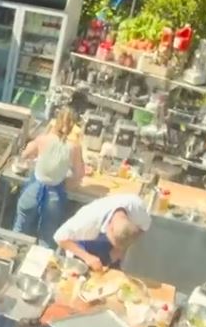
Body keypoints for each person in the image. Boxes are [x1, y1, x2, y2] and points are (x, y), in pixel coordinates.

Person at [12, 107, 85, 247]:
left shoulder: (43, 139)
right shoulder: (75, 148)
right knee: (48, 238)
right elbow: (79, 174)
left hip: (32, 191)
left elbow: (24, 155)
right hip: (54, 197)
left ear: (55, 122)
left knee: (20, 230)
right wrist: (67, 182)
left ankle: (11, 258)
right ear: (74, 126)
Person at [53, 194, 152, 272]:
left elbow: (144, 227)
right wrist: (87, 257)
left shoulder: (136, 207)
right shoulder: (87, 219)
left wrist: (119, 250)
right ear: (109, 227)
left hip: (107, 248)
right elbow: (59, 237)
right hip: (84, 244)